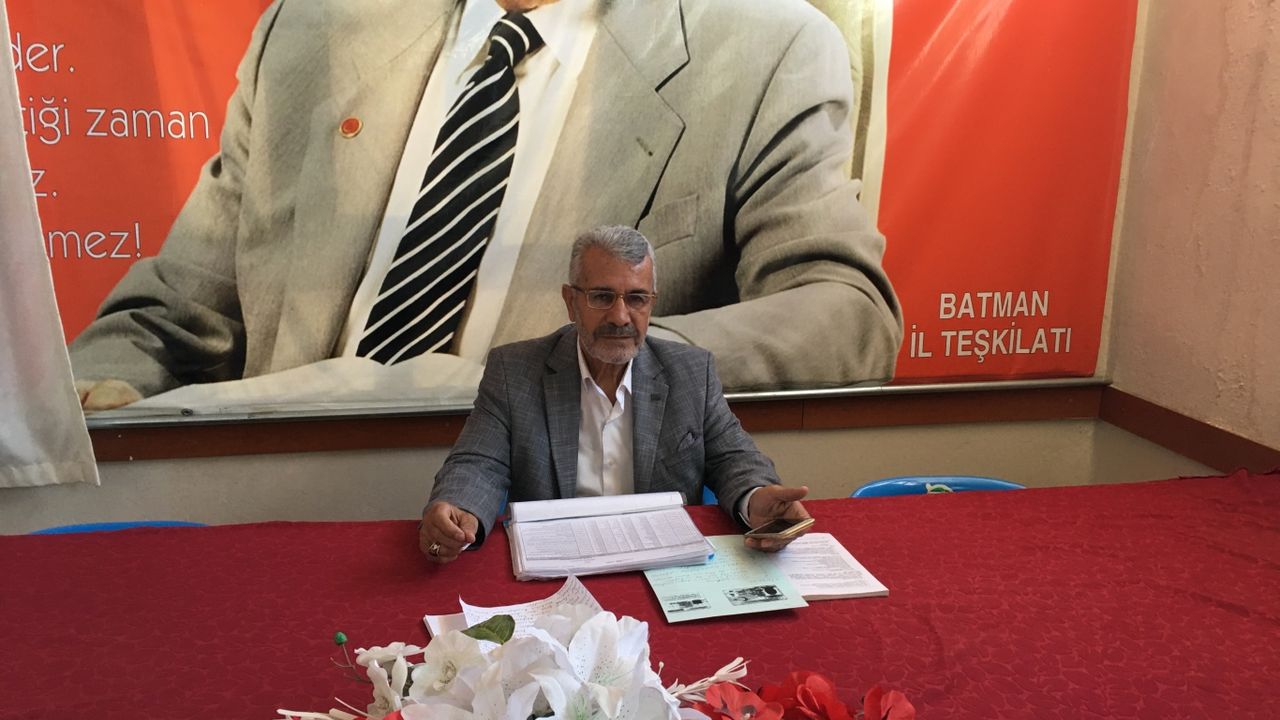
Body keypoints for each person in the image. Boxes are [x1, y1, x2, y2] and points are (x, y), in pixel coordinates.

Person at [70, 0, 902, 411]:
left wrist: (591, 364)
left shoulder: (765, 45)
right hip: (275, 520)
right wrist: (78, 405)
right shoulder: (309, 28)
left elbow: (845, 314)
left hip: (550, 544)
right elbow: (174, 315)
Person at [420, 226, 810, 563]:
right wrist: (459, 509)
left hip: (660, 564)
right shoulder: (515, 370)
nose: (621, 317)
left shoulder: (691, 372)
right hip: (557, 563)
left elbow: (733, 457)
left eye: (636, 298)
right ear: (571, 301)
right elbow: (478, 463)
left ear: (651, 303)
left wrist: (755, 497)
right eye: (602, 297)